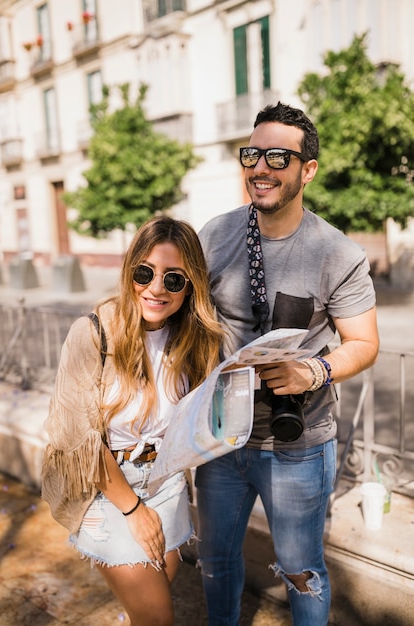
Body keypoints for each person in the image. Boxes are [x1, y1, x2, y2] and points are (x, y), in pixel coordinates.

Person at [195, 101, 380, 626]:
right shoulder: (214, 236)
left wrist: (313, 370)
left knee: (301, 569)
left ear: (308, 170)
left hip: (297, 442)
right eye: (252, 155)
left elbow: (364, 342)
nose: (261, 168)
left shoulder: (337, 253)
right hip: (218, 437)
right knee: (215, 562)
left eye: (279, 157)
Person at [42, 215, 224, 626]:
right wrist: (133, 510)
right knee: (158, 617)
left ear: (191, 284)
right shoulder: (92, 333)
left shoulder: (194, 341)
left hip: (166, 482)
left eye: (174, 279)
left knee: (147, 608)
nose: (157, 288)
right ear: (130, 273)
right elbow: (80, 438)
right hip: (107, 488)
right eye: (145, 273)